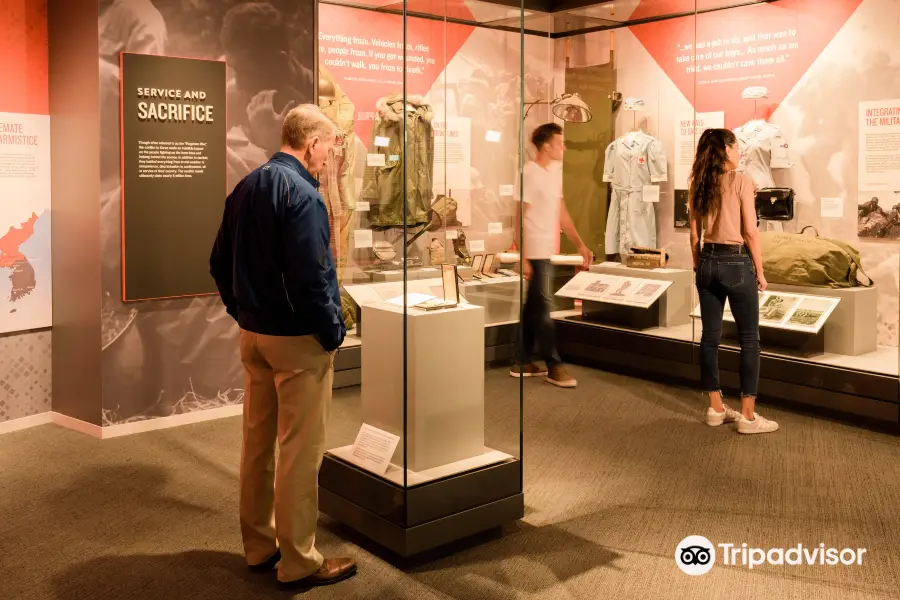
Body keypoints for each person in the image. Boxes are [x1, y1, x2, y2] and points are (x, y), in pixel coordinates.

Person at [209, 105, 357, 588]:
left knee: (256, 444)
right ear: (313, 143)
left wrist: (243, 313)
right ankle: (299, 561)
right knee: (299, 451)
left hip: (253, 336)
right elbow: (313, 277)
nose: (331, 157)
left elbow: (218, 261)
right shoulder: (305, 196)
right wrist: (332, 332)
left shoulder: (246, 186)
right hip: (296, 342)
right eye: (330, 147)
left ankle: (258, 547)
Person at [688, 128, 778, 434]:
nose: (739, 152)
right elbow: (751, 231)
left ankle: (715, 407)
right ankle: (748, 417)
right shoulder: (741, 180)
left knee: (710, 337)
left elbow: (694, 235)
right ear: (726, 150)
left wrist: (699, 266)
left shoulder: (698, 183)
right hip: (736, 262)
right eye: (736, 147)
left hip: (707, 262)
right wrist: (761, 272)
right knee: (749, 339)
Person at [511, 123, 592, 388]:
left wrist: (580, 244)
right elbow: (518, 216)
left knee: (534, 306)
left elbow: (562, 213)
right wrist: (522, 255)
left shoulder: (552, 174)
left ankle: (522, 361)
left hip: (545, 248)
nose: (564, 147)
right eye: (560, 142)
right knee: (543, 308)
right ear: (547, 144)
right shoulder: (529, 173)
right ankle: (553, 365)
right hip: (533, 249)